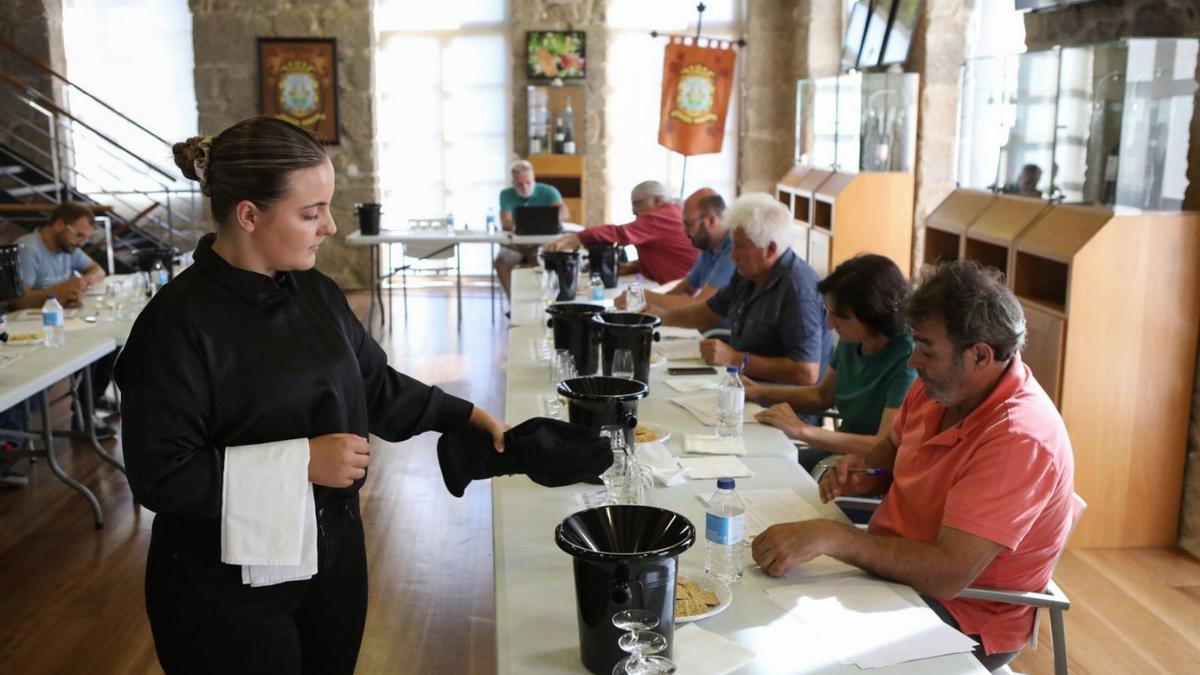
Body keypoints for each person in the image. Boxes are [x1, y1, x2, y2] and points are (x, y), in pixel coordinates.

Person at [115, 116, 508, 675]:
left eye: (327, 207)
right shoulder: (175, 326)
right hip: (223, 587)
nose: (328, 226)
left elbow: (372, 383)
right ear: (249, 214)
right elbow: (162, 476)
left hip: (333, 557)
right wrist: (300, 461)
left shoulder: (316, 291)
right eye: (310, 212)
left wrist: (461, 415)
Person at [750, 261, 1076, 671]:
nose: (911, 362)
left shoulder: (1019, 438)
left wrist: (836, 538)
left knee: (792, 654)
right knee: (757, 602)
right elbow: (887, 459)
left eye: (925, 348)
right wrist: (863, 476)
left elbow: (947, 573)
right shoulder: (938, 388)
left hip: (961, 612)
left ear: (980, 355)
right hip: (894, 573)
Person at [746, 254, 916, 472]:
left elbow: (882, 446)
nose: (829, 324)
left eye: (840, 317)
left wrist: (802, 430)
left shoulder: (908, 358)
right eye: (829, 312)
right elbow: (822, 396)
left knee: (768, 474)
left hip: (867, 472)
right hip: (837, 455)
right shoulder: (854, 337)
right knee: (757, 463)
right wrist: (760, 393)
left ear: (875, 316)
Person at [657, 193, 833, 385]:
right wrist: (658, 319)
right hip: (742, 387)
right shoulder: (748, 273)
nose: (733, 255)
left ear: (770, 249)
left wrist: (735, 358)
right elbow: (709, 311)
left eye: (740, 247)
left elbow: (806, 372)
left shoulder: (798, 290)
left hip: (782, 404)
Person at [543, 180, 698, 285]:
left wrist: (576, 237)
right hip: (680, 284)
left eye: (637, 205)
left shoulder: (662, 216)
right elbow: (666, 254)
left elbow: (622, 233)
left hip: (684, 289)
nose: (635, 212)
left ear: (657, 201)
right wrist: (635, 267)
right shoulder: (672, 213)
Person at [614, 188, 733, 321]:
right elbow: (686, 288)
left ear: (711, 220)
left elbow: (704, 304)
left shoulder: (733, 248)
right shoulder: (709, 247)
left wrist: (645, 297)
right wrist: (651, 303)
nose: (685, 232)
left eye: (689, 225)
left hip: (720, 336)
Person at [494, 159, 567, 297]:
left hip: (540, 244)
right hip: (515, 245)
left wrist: (547, 221)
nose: (525, 187)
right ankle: (513, 302)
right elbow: (506, 221)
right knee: (501, 261)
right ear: (513, 183)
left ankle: (543, 300)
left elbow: (564, 213)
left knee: (542, 261)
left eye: (528, 182)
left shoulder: (549, 191)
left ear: (533, 178)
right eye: (519, 184)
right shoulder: (506, 194)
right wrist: (519, 226)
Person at [12, 201, 106, 309]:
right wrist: (61, 292)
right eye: (79, 235)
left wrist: (82, 283)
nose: (81, 244)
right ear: (59, 225)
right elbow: (18, 301)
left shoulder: (69, 247)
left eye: (86, 239)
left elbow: (99, 271)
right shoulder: (27, 249)